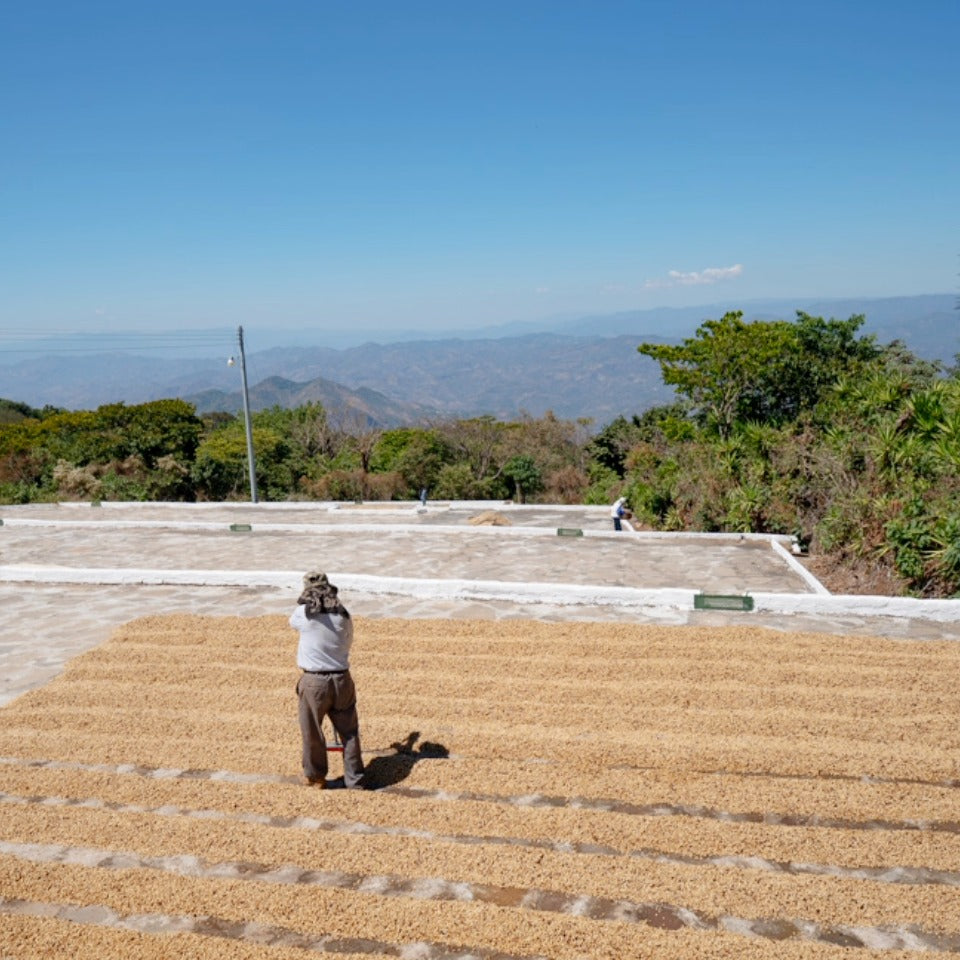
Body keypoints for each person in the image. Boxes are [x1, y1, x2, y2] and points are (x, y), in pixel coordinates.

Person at [290, 571, 365, 789]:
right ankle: (356, 780)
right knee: (349, 732)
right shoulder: (344, 615)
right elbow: (348, 641)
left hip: (315, 681)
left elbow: (293, 623)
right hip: (342, 678)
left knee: (312, 730)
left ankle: (316, 778)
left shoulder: (303, 613)